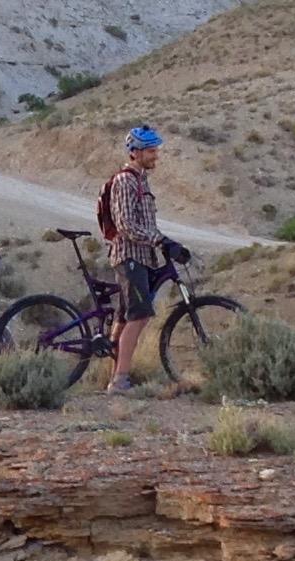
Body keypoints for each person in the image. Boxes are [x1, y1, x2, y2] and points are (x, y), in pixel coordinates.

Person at [104, 125, 177, 393]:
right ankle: (120, 380)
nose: (155, 154)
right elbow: (125, 225)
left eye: (156, 149)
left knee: (125, 318)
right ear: (134, 152)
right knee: (140, 315)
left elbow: (146, 224)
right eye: (150, 150)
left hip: (142, 258)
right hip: (129, 256)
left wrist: (168, 242)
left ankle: (114, 376)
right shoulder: (125, 181)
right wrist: (158, 240)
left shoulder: (142, 180)